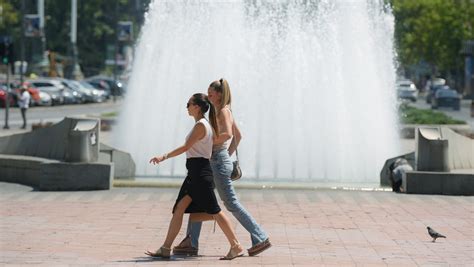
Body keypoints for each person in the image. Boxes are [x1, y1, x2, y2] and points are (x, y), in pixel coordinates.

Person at [173, 79, 271, 257]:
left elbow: (228, 134)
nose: (208, 95)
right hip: (216, 160)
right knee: (199, 197)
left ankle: (260, 237)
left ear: (218, 95)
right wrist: (226, 155)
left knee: (231, 203)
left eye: (210, 93)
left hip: (216, 162)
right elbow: (238, 136)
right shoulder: (221, 110)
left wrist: (212, 147)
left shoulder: (223, 111)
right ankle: (190, 241)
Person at [145, 93, 244, 260]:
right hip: (195, 173)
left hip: (200, 174)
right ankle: (166, 248)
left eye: (189, 104)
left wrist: (163, 156)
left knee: (215, 211)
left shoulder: (201, 125)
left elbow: (185, 147)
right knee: (179, 209)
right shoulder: (204, 124)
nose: (187, 107)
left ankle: (236, 245)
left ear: (197, 107)